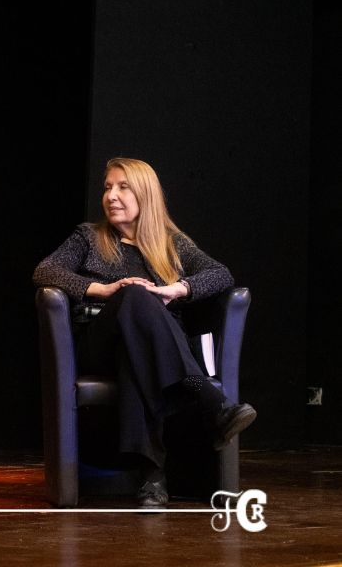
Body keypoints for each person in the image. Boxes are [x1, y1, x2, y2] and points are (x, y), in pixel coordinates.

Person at [32, 157, 256, 508]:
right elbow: (46, 272)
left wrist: (176, 290)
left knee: (136, 357)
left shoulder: (172, 243)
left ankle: (152, 477)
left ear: (145, 195)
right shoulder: (89, 238)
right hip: (98, 342)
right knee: (133, 293)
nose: (112, 196)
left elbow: (220, 274)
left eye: (123, 187)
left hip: (144, 351)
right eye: (108, 187)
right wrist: (104, 290)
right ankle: (208, 399)